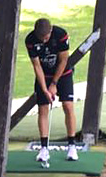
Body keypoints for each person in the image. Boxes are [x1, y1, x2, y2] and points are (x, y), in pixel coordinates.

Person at [25, 18, 79, 162]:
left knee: (68, 106)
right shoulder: (30, 40)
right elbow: (37, 66)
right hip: (44, 75)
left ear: (51, 31)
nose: (44, 40)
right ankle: (44, 149)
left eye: (46, 37)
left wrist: (54, 84)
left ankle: (72, 146)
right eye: (41, 38)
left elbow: (63, 61)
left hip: (63, 74)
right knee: (43, 109)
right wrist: (45, 89)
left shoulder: (60, 35)